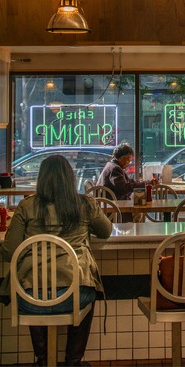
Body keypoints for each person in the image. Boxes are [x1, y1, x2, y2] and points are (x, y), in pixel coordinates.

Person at [0, 154, 112, 367]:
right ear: (70, 178)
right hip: (73, 298)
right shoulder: (85, 204)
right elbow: (105, 231)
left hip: (30, 300)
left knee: (32, 286)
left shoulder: (26, 206)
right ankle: (73, 361)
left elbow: (9, 251)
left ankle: (42, 360)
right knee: (87, 289)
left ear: (41, 179)